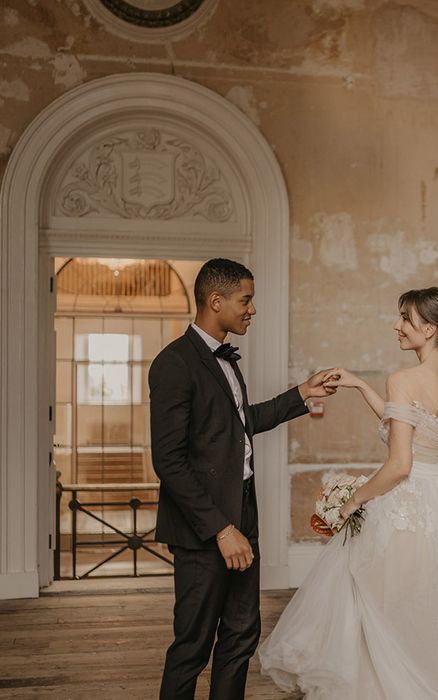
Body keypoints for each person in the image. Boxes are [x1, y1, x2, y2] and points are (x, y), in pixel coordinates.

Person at [259, 287, 438, 699]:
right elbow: (413, 431)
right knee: (425, 612)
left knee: (378, 611)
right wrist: (358, 385)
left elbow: (400, 464)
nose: (397, 325)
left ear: (430, 327)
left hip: (405, 508)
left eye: (405, 318)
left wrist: (353, 501)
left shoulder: (405, 379)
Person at [149, 258, 337, 700]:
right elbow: (169, 461)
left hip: (243, 512)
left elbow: (237, 424)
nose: (252, 309)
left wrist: (301, 394)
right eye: (245, 300)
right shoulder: (175, 363)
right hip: (205, 529)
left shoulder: (227, 360)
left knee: (240, 635)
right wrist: (221, 528)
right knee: (193, 644)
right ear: (216, 301)